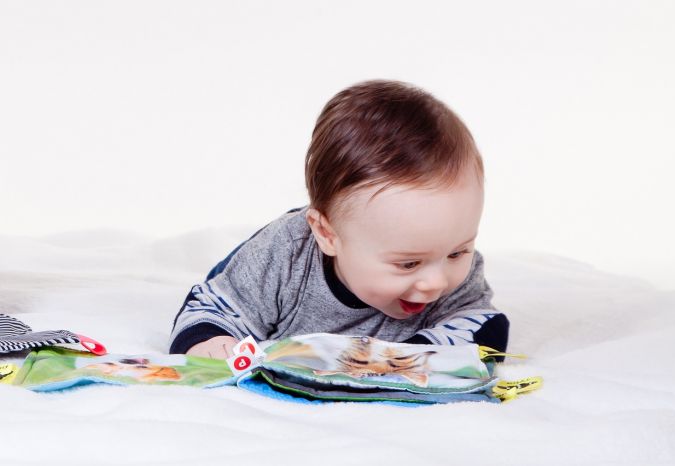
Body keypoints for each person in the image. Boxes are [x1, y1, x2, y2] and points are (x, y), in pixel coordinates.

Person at [168, 79, 510, 361]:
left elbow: (482, 324)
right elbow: (210, 312)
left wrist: (413, 354)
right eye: (408, 264)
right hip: (263, 274)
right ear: (327, 234)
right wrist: (213, 343)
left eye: (458, 252)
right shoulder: (282, 257)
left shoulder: (446, 261)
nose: (436, 282)